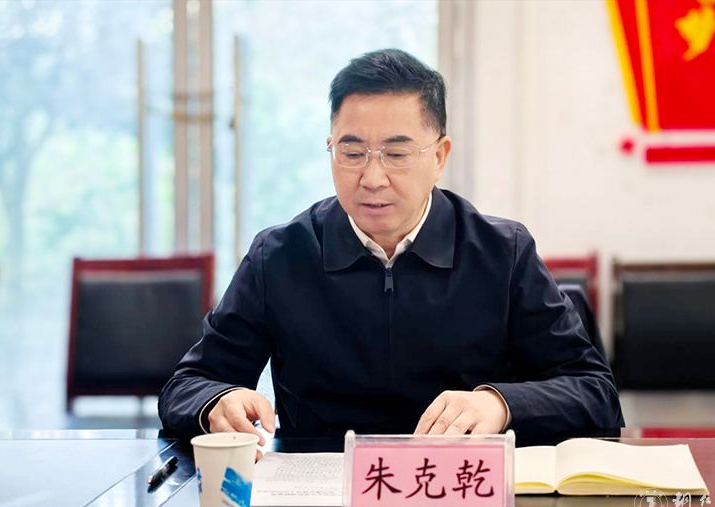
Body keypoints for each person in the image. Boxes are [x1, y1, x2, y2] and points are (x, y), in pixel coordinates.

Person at [158, 49, 623, 445]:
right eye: (352, 153)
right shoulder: (279, 255)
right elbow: (188, 384)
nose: (372, 177)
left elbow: (594, 391)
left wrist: (500, 404)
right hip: (321, 496)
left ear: (439, 157)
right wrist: (217, 401)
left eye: (397, 154)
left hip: (463, 493)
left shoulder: (502, 252)